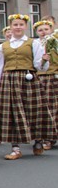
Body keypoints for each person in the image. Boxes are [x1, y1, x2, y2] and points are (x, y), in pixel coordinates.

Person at [0, 14, 56, 159]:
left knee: (33, 110)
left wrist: (44, 61)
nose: (18, 27)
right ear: (11, 27)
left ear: (25, 27)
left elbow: (39, 66)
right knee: (11, 113)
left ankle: (38, 140)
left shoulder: (33, 43)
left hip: (28, 80)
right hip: (9, 80)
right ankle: (15, 148)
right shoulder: (3, 46)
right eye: (15, 25)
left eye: (20, 25)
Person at [34, 19, 56, 150]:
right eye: (40, 30)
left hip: (53, 77)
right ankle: (44, 137)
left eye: (46, 29)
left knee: (53, 107)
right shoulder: (35, 44)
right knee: (42, 108)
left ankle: (51, 138)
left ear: (51, 30)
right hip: (39, 77)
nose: (43, 32)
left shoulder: (55, 42)